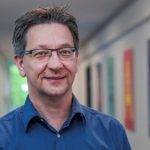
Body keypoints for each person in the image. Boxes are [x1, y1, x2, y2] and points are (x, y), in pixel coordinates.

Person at [0, 5, 131, 150]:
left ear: (76, 60)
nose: (56, 65)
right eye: (41, 53)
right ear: (21, 64)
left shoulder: (111, 132)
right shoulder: (2, 137)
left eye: (65, 51)